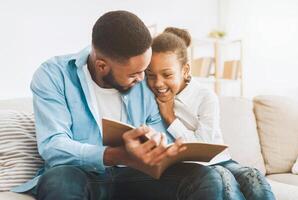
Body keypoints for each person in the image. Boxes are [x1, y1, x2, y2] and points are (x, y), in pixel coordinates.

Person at [12, 11, 224, 200]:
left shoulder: (144, 82)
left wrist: (158, 146)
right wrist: (118, 155)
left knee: (204, 178)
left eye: (145, 70)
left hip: (136, 175)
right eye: (134, 73)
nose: (144, 80)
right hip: (81, 174)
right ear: (102, 66)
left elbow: (156, 126)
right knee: (59, 181)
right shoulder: (54, 75)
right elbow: (53, 145)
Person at [146, 27, 276, 200]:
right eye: (151, 75)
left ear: (185, 71)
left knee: (252, 177)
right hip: (196, 169)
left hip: (220, 159)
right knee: (225, 181)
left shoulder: (205, 97)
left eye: (167, 74)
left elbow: (204, 147)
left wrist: (170, 118)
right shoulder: (149, 96)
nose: (158, 83)